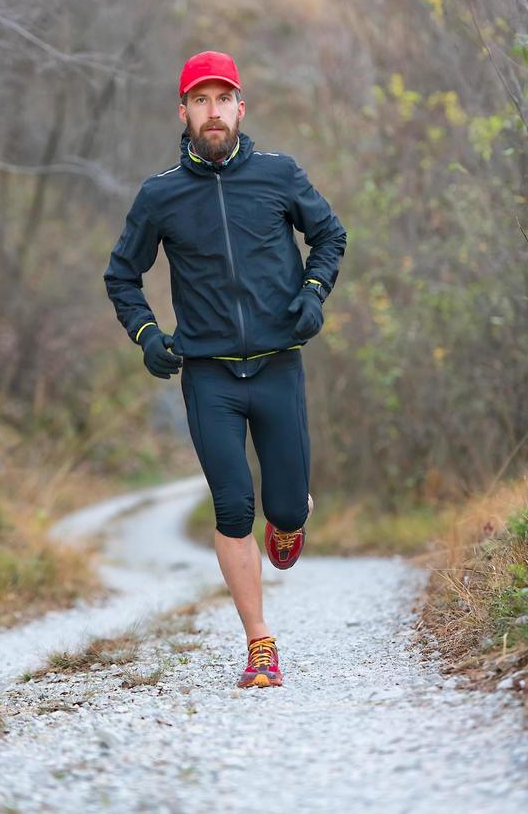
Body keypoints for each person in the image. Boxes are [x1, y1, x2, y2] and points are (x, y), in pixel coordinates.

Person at [104, 50, 347, 688]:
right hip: (208, 373)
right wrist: (147, 333)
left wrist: (314, 293)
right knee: (234, 506)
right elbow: (122, 275)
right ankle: (260, 643)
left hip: (277, 365)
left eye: (223, 99)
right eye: (200, 101)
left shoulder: (279, 175)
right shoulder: (161, 194)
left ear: (241, 107)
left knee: (284, 507)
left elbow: (330, 236)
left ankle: (292, 517)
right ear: (182, 112)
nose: (213, 112)